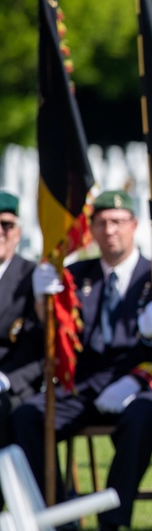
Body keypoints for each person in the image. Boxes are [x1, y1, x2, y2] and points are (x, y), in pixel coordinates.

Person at [13, 190, 152, 531]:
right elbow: (53, 337)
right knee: (27, 416)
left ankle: (110, 518)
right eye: (101, 223)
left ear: (134, 225)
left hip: (137, 382)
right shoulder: (75, 274)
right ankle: (58, 515)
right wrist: (43, 302)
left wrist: (138, 372)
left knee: (146, 416)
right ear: (92, 230)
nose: (110, 230)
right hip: (81, 387)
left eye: (117, 222)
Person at [0, 192, 44, 449]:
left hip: (14, 383)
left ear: (18, 232)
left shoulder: (32, 276)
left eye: (6, 225)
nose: (1, 232)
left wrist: (6, 379)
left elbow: (37, 346)